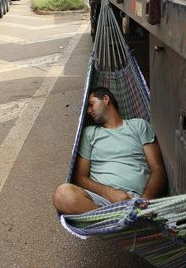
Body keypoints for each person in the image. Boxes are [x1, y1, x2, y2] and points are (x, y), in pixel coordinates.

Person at [53, 87, 167, 215]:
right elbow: (80, 177)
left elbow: (157, 169)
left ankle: (127, 218)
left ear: (106, 99)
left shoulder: (139, 125)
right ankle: (119, 219)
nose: (89, 111)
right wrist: (111, 193)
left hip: (138, 200)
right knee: (62, 194)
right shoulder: (89, 133)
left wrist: (145, 201)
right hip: (102, 202)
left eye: (91, 104)